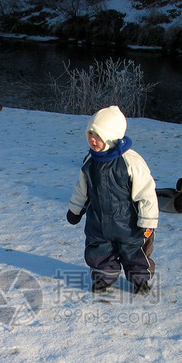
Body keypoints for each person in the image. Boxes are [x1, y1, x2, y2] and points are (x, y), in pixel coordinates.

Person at [66, 105, 159, 294]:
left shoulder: (130, 161)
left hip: (129, 223)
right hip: (98, 221)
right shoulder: (90, 162)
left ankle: (140, 281)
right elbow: (82, 190)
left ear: (111, 136)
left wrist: (147, 221)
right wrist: (75, 210)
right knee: (100, 252)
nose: (93, 139)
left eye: (98, 135)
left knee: (135, 252)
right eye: (90, 133)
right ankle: (102, 279)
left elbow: (146, 193)